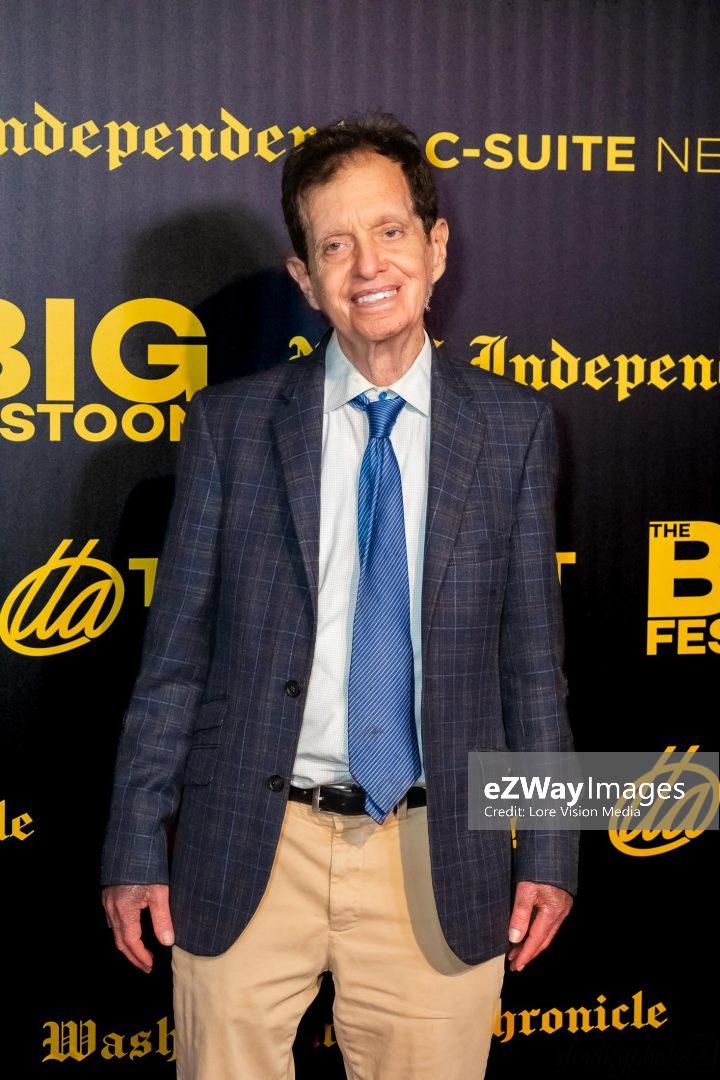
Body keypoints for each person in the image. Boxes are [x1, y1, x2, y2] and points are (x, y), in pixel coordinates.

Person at [100, 110, 578, 1080]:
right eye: (334, 244)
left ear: (436, 248)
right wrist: (135, 842)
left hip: (436, 854)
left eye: (390, 231)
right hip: (251, 843)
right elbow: (174, 660)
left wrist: (552, 850)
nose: (368, 266)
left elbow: (534, 670)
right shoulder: (229, 428)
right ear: (305, 278)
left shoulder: (517, 430)